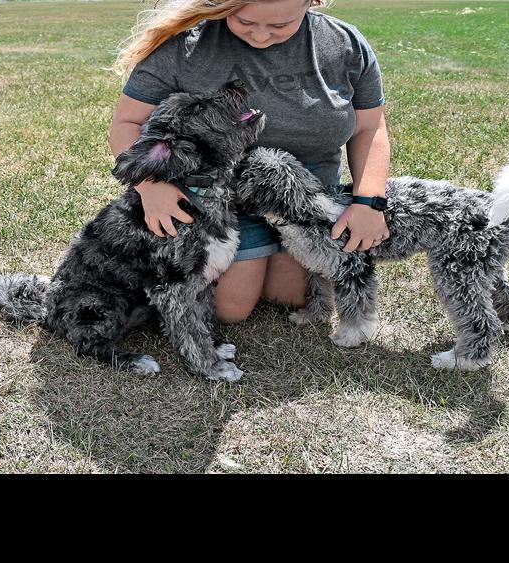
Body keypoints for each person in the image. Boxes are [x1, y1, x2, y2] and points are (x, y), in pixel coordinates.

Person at [109, 0, 391, 324]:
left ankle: (273, 253)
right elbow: (126, 123)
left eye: (279, 26)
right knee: (230, 309)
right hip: (224, 192)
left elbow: (370, 128)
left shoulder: (345, 44)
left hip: (305, 192)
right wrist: (151, 188)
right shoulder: (185, 47)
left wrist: (369, 202)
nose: (259, 36)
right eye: (243, 21)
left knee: (292, 295)